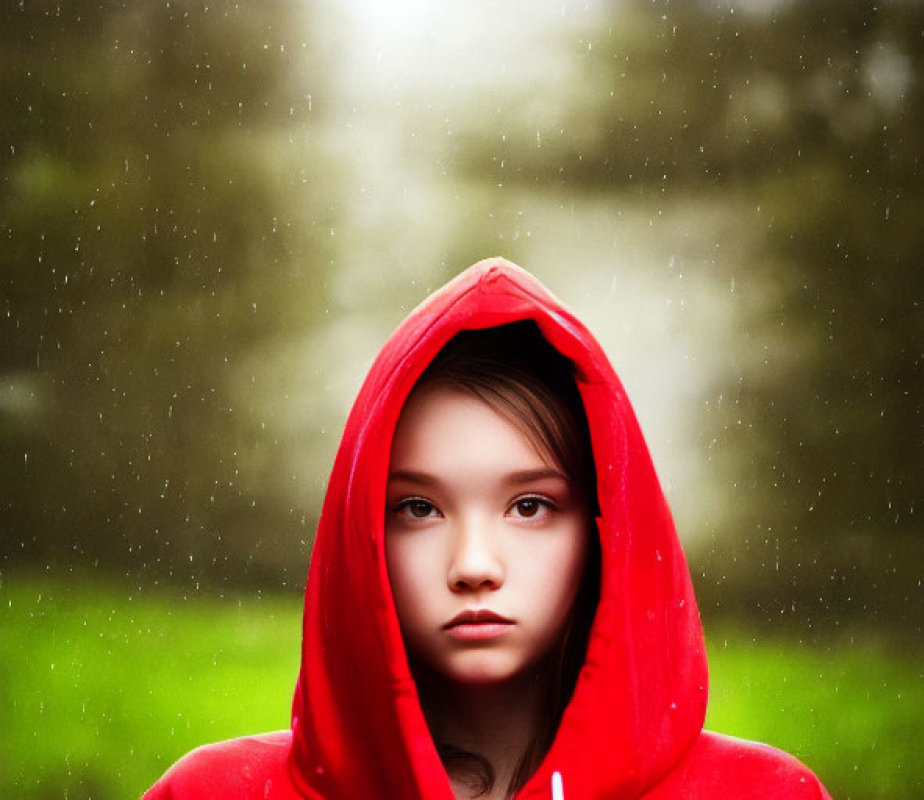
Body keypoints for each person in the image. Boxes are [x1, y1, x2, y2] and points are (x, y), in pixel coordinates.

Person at [144, 259, 831, 799]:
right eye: (419, 508)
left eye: (530, 506)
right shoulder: (213, 793)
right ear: (361, 533)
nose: (474, 565)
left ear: (604, 531)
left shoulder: (764, 795)